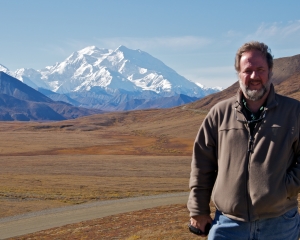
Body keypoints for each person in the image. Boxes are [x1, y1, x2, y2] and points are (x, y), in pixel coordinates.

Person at [187, 41, 300, 240]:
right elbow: (202, 163)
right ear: (238, 73)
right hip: (228, 224)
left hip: (280, 224)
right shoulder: (219, 113)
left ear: (270, 71)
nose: (254, 77)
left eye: (260, 69)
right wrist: (198, 208)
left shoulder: (294, 112)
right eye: (248, 70)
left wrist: (286, 186)